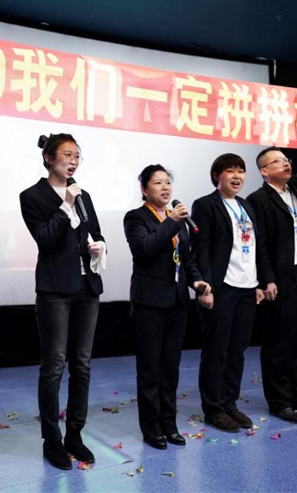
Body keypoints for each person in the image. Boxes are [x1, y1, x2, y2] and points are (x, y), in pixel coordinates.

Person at [19, 134, 106, 470]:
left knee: (82, 364)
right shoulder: (32, 196)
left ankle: (75, 435)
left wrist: (99, 245)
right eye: (67, 155)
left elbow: (95, 232)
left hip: (87, 287)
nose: (73, 161)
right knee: (54, 365)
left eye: (77, 156)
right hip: (55, 289)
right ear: (48, 158)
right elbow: (45, 238)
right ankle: (51, 440)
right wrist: (65, 205)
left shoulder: (84, 195)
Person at [123, 165, 210, 450]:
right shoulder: (136, 217)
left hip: (176, 302)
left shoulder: (178, 220)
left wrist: (196, 281)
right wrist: (171, 222)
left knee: (170, 368)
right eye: (158, 183)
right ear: (144, 189)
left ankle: (169, 425)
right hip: (149, 303)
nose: (165, 187)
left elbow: (186, 258)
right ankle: (152, 428)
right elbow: (144, 249)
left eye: (168, 182)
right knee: (151, 369)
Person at [190, 154, 276, 433]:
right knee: (217, 350)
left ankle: (229, 402)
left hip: (247, 288)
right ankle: (213, 408)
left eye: (241, 171)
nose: (237, 176)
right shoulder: (205, 205)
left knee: (237, 350)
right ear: (217, 176)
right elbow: (201, 249)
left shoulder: (246, 206)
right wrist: (205, 286)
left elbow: (258, 248)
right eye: (230, 171)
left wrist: (263, 281)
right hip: (221, 288)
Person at [246, 147, 297, 425]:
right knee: (279, 342)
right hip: (281, 278)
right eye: (277, 161)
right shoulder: (259, 199)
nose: (285, 164)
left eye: (286, 159)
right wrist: (266, 279)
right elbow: (260, 243)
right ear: (264, 171)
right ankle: (280, 401)